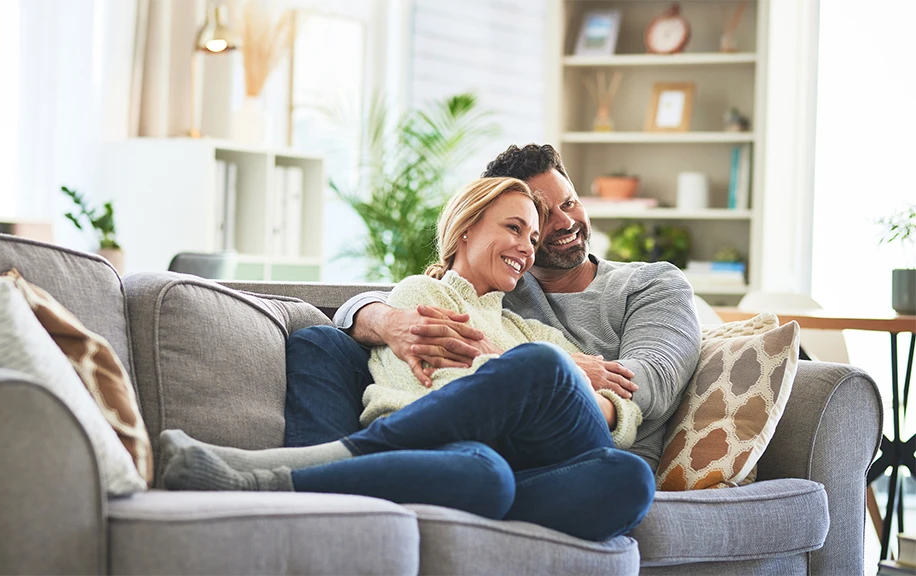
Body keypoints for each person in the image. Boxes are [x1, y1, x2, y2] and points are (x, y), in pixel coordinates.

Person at [160, 176, 654, 541]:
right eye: (514, 228)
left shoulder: (529, 329)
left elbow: (622, 410)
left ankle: (320, 472)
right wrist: (531, 374)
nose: (527, 248)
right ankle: (274, 478)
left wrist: (520, 368)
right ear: (466, 229)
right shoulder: (421, 294)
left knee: (629, 476)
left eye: (531, 237)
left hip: (533, 456)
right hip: (463, 456)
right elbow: (425, 396)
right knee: (485, 472)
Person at [290, 143, 702, 472]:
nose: (564, 222)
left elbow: (654, 381)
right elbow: (401, 299)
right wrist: (391, 322)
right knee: (322, 342)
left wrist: (556, 374)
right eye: (535, 216)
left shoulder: (650, 282)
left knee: (615, 473)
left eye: (570, 203)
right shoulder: (504, 283)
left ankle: (333, 468)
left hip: (581, 445)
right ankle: (318, 482)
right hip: (496, 430)